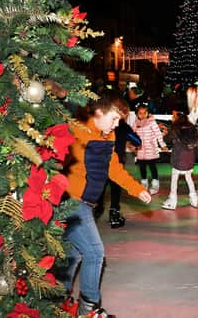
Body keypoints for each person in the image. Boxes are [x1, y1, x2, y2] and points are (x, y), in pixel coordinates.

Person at [59, 97, 152, 317]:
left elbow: (114, 168)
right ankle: (88, 309)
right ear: (99, 113)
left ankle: (56, 298)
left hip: (86, 202)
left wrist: (136, 189)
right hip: (70, 199)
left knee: (74, 253)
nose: (116, 126)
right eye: (113, 119)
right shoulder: (76, 129)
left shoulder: (107, 134)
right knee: (95, 252)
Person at [95, 97, 142, 229]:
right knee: (115, 189)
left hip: (100, 163)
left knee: (100, 189)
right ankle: (114, 214)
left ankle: (95, 212)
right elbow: (137, 141)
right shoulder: (124, 127)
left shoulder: (100, 124)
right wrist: (130, 142)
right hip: (116, 163)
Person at [162, 111, 198, 209]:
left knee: (174, 179)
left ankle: (172, 200)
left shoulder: (175, 129)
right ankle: (194, 199)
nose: (172, 118)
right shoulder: (192, 128)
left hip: (178, 159)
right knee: (189, 178)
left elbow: (166, 140)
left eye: (174, 116)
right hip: (190, 159)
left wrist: (166, 133)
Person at [132, 102, 168, 195]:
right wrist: (133, 144)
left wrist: (162, 145)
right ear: (136, 114)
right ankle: (144, 183)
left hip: (151, 150)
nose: (143, 115)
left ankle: (155, 184)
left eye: (145, 113)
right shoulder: (136, 123)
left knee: (153, 167)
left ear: (148, 113)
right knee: (142, 167)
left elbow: (158, 134)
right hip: (141, 150)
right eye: (140, 113)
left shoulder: (152, 122)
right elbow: (132, 134)